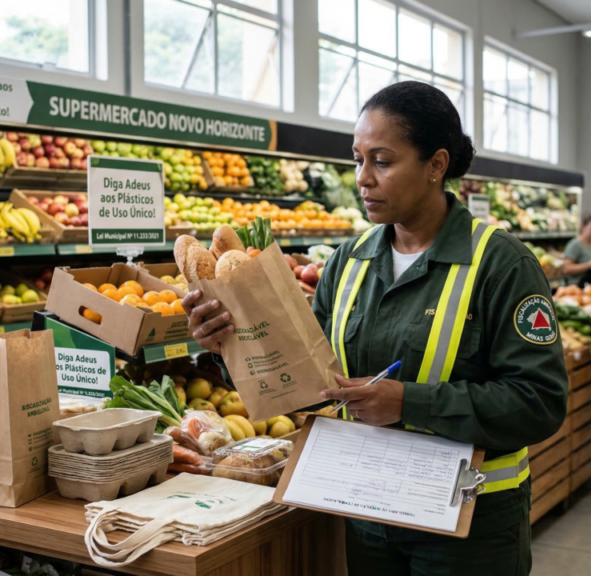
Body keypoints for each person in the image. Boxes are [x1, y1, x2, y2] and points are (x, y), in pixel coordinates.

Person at [184, 81, 568, 575]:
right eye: (358, 159)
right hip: (367, 511)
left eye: (382, 161)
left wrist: (408, 402)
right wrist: (228, 345)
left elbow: (539, 403)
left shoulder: (501, 264)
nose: (363, 178)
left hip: (467, 528)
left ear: (436, 166)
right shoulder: (348, 262)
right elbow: (304, 385)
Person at [563, 213, 591, 287]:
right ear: (583, 228)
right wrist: (589, 265)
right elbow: (566, 269)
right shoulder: (575, 245)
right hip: (578, 287)